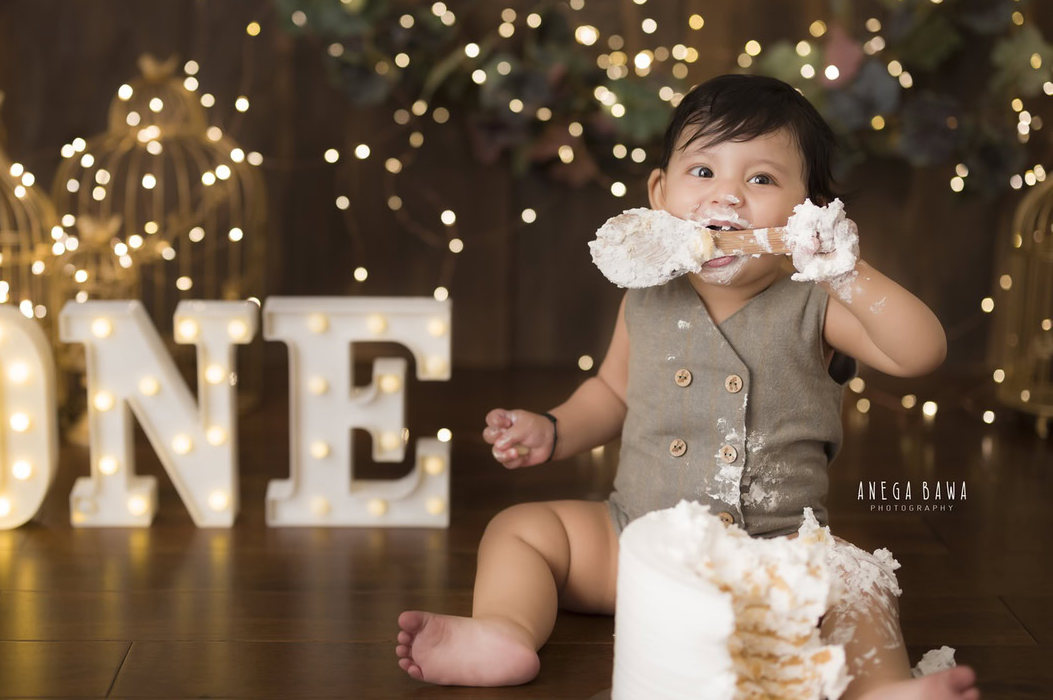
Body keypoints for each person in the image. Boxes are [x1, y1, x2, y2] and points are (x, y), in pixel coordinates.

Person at [396, 74, 978, 700]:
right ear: (659, 193)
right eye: (702, 172)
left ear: (808, 213)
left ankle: (878, 688)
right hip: (638, 543)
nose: (726, 197)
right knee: (521, 529)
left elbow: (920, 353)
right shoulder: (646, 294)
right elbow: (612, 393)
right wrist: (556, 428)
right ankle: (504, 632)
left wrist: (848, 271)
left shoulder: (819, 304)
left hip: (775, 556)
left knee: (859, 581)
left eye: (761, 179)